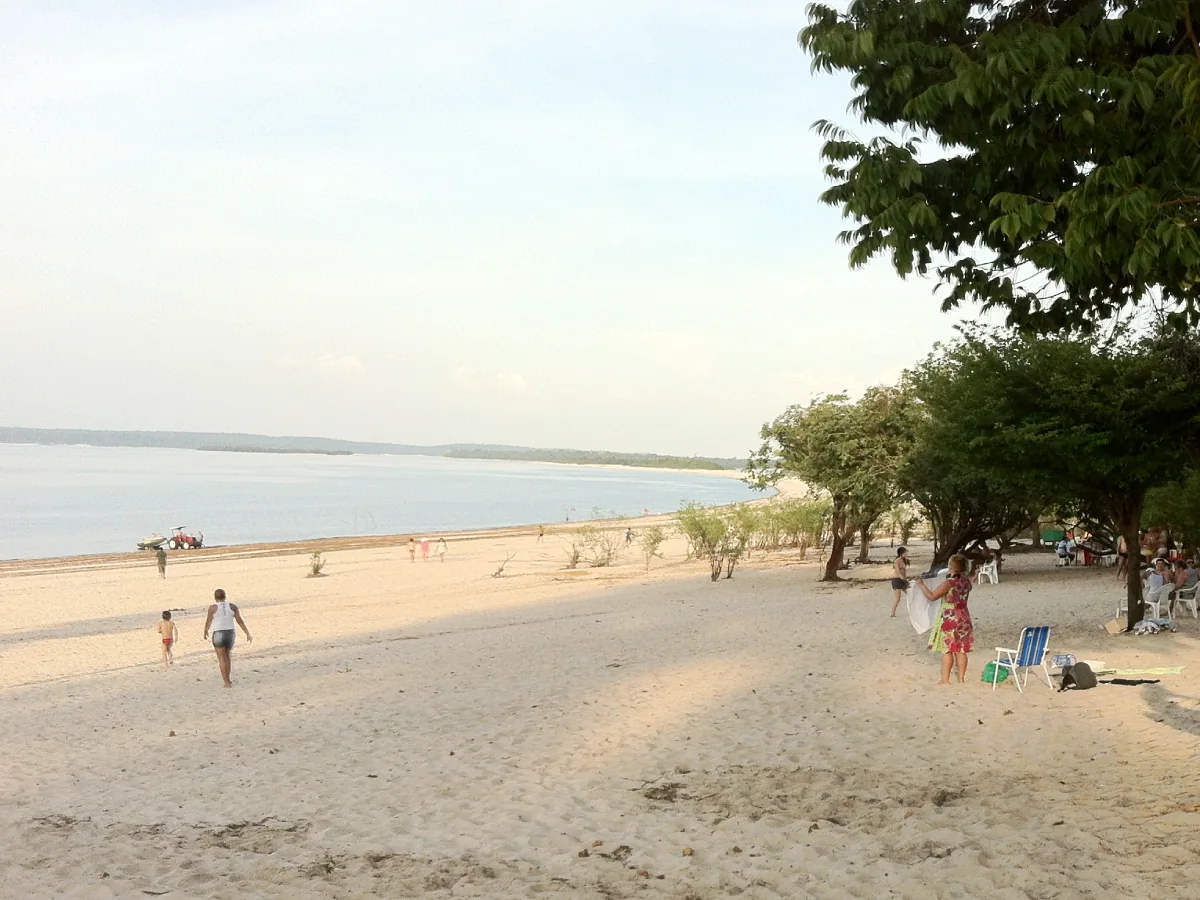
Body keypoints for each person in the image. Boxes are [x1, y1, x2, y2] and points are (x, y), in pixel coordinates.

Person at [917, 554, 973, 685]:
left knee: (947, 649)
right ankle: (961, 678)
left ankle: (945, 679)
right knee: (961, 649)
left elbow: (932, 596)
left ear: (950, 567)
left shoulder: (949, 583)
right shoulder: (966, 581)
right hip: (964, 615)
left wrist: (921, 585)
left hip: (950, 616)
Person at [202, 589, 252, 688]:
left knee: (221, 658)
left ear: (215, 597)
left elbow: (209, 620)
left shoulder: (212, 608)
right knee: (227, 656)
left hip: (218, 632)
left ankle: (226, 682)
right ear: (225, 596)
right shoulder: (233, 607)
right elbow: (239, 621)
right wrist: (247, 633)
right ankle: (228, 679)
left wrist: (205, 630)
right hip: (230, 632)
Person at [889, 547, 910, 618]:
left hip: (903, 579)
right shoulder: (896, 561)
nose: (906, 554)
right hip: (897, 580)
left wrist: (906, 579)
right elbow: (898, 572)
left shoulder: (904, 560)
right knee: (897, 598)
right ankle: (892, 613)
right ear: (901, 553)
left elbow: (904, 572)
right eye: (905, 552)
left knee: (910, 594)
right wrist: (904, 580)